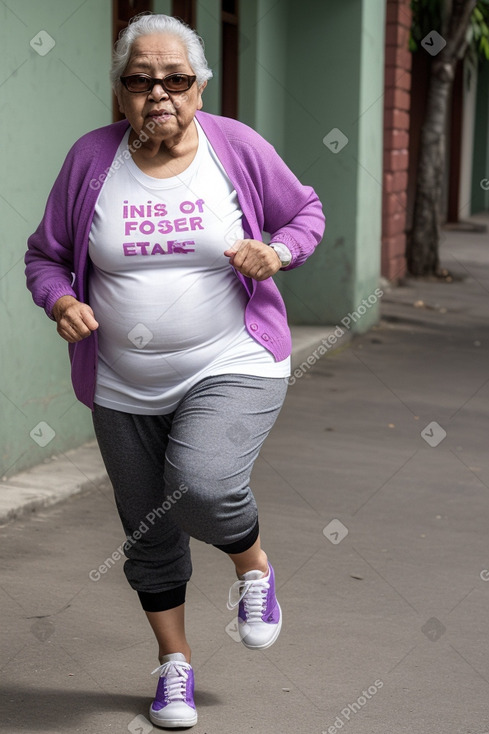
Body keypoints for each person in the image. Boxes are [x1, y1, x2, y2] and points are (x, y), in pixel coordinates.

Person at [25, 12, 325, 730]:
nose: (158, 93)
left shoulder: (236, 148)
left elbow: (303, 213)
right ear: (120, 91)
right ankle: (173, 665)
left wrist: (276, 254)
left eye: (176, 79)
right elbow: (44, 254)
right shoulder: (89, 160)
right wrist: (60, 299)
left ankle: (252, 564)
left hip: (233, 359)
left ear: (199, 88)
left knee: (201, 484)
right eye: (140, 80)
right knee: (147, 529)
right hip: (122, 384)